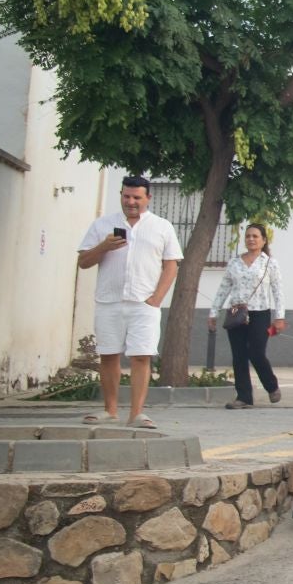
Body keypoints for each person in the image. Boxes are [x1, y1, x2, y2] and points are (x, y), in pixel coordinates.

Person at [75, 176, 183, 428]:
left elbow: (171, 265)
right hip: (109, 301)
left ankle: (136, 413)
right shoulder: (103, 225)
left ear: (148, 198)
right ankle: (110, 410)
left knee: (141, 356)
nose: (131, 202)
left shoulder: (162, 226)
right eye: (127, 196)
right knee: (108, 355)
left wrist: (156, 299)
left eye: (137, 197)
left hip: (144, 304)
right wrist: (104, 246)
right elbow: (83, 262)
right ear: (121, 195)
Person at [208, 222, 286, 409]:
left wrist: (280, 316)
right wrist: (213, 312)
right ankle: (244, 397)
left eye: (255, 236)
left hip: (260, 313)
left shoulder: (269, 263)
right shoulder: (234, 262)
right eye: (248, 236)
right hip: (236, 313)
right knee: (239, 355)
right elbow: (224, 288)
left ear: (263, 240)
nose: (251, 239)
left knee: (256, 352)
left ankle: (271, 385)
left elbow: (278, 290)